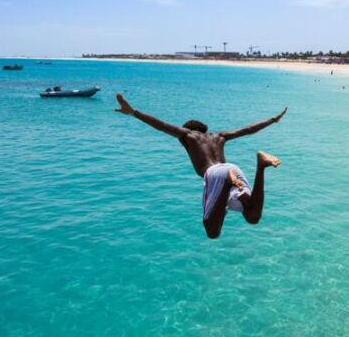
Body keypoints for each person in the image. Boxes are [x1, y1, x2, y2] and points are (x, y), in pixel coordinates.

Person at [115, 94, 287, 239]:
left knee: (212, 231)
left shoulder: (188, 135)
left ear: (189, 130)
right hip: (232, 168)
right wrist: (273, 120)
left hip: (217, 174)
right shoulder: (219, 136)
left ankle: (228, 183)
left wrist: (134, 112)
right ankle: (260, 165)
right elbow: (247, 130)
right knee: (252, 216)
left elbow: (162, 126)